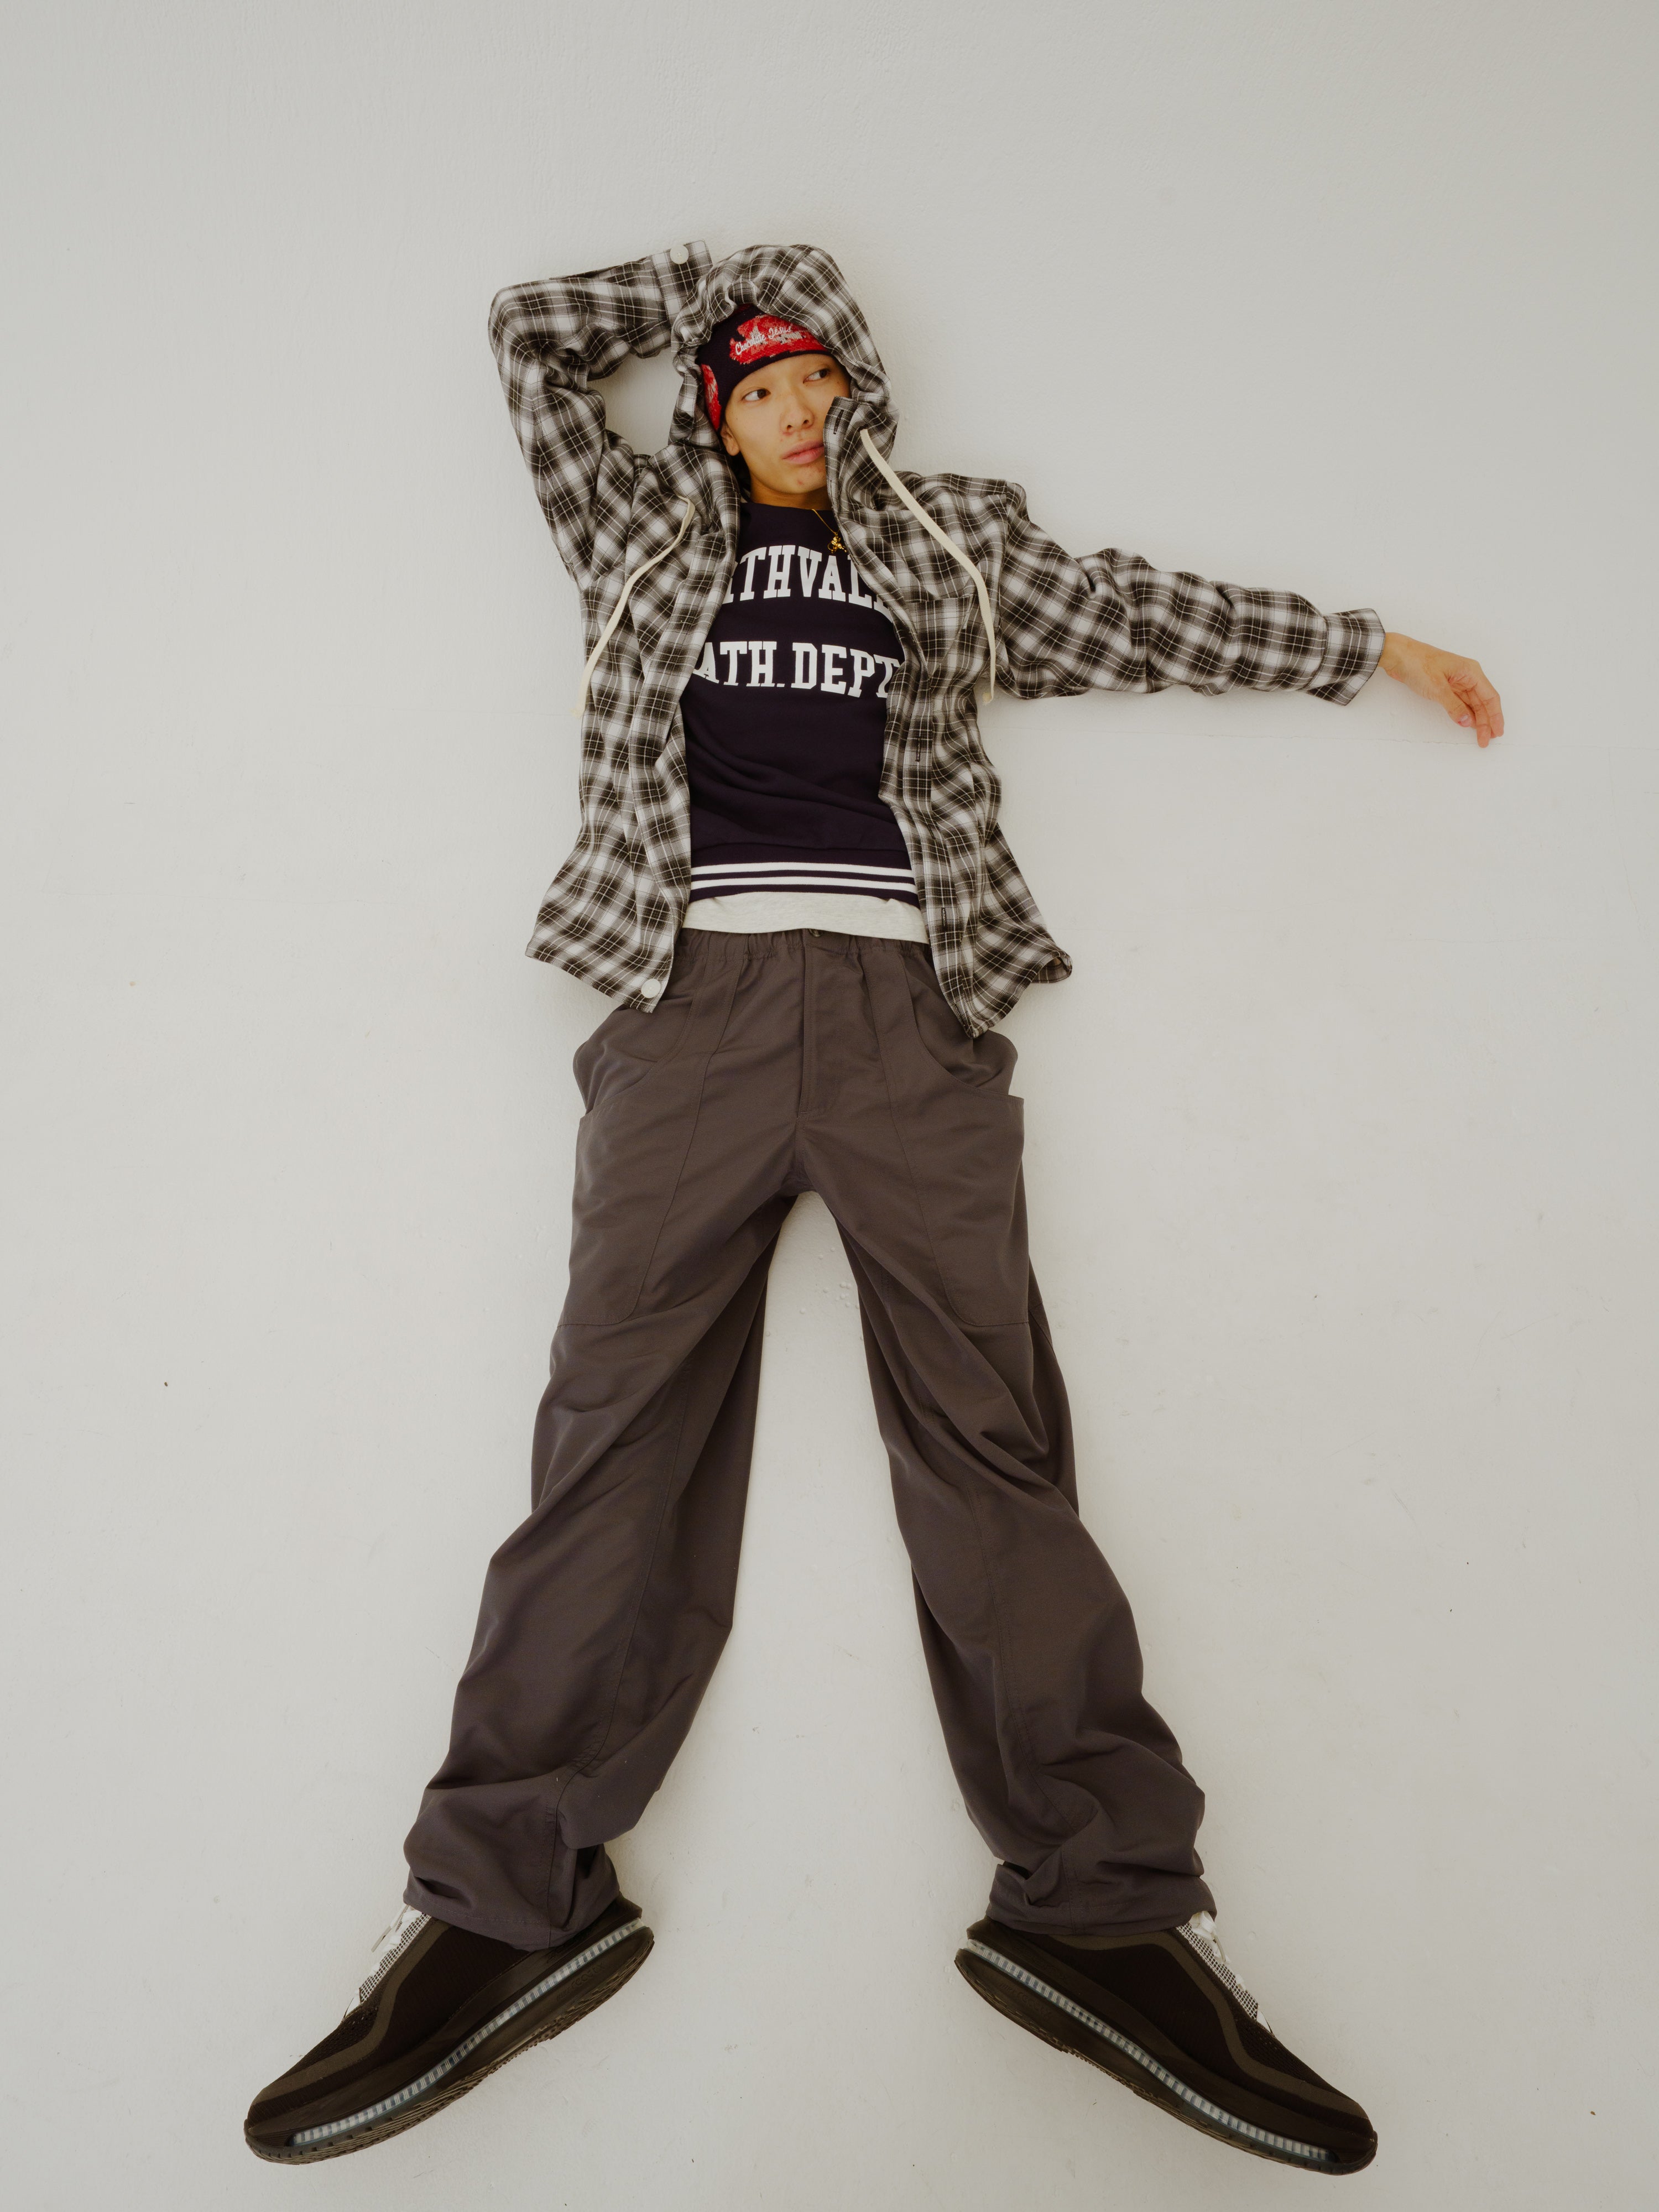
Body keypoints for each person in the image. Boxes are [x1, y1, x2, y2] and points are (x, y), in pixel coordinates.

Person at [244, 241, 1501, 2173]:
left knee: (992, 1444)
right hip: (692, 1012)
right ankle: (506, 1904)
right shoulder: (637, 534)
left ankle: (1102, 1915)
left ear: (858, 398)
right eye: (762, 384)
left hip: (913, 1011)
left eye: (821, 378)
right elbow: (531, 339)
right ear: (716, 409)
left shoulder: (945, 543)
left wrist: (1363, 647)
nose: (799, 409)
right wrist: (738, 280)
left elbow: (1134, 612)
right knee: (609, 1443)